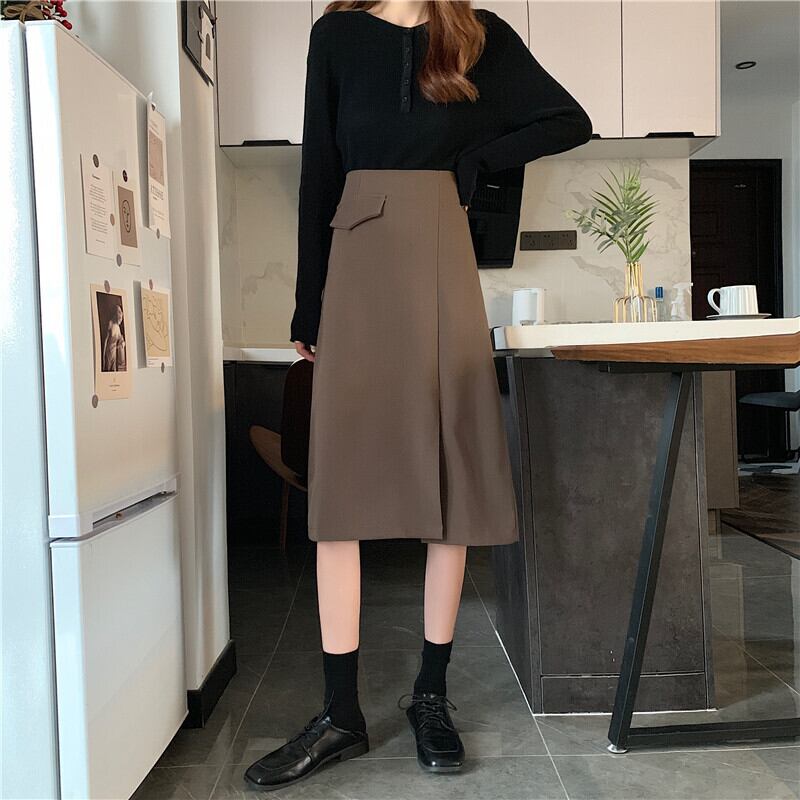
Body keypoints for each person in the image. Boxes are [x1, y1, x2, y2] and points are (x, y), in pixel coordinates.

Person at [244, 0, 592, 791]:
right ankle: (340, 713)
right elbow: (318, 170)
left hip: (440, 254)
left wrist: (476, 160)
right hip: (357, 257)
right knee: (341, 489)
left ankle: (430, 696)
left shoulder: (478, 35)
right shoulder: (337, 35)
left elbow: (569, 120)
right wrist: (307, 303)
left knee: (451, 475)